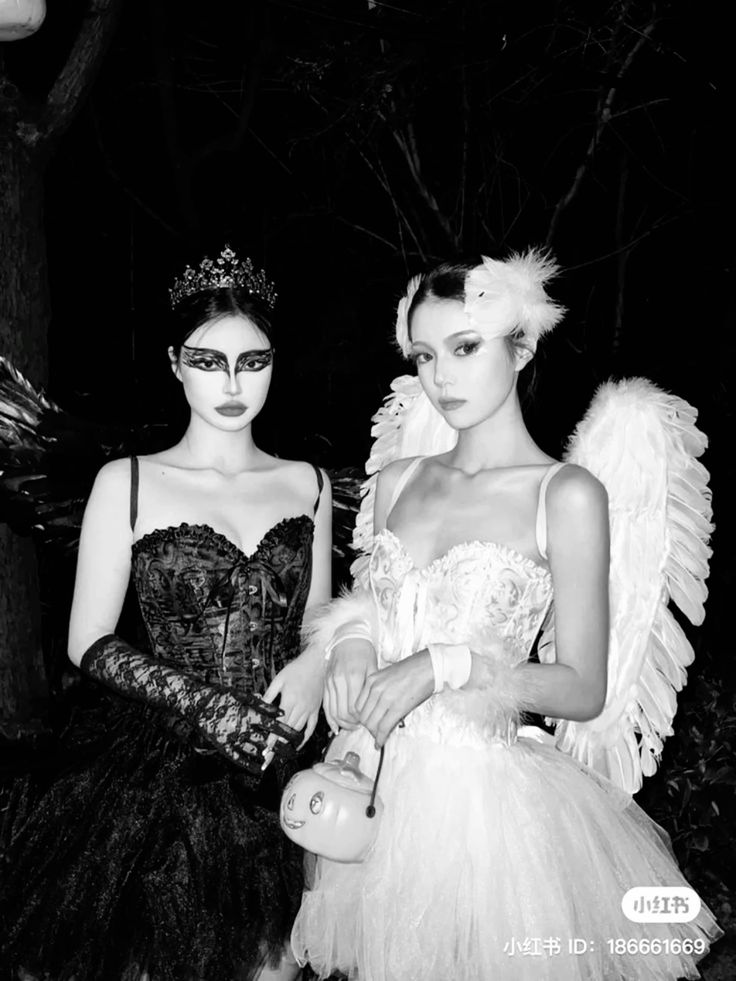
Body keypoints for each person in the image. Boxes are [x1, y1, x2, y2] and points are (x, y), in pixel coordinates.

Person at [291, 251, 721, 980]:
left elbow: (583, 687)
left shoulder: (565, 493)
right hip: (372, 781)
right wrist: (354, 640)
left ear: (520, 348)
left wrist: (445, 666)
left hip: (486, 818)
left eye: (465, 348)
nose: (441, 377)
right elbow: (379, 603)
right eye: (425, 355)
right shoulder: (397, 479)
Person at [0, 246, 331, 981]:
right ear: (176, 364)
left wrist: (319, 658)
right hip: (163, 772)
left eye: (252, 361)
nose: (233, 383)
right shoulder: (127, 480)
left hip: (285, 761)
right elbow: (87, 641)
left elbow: (320, 617)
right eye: (209, 362)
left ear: (275, 363)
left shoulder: (309, 483)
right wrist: (205, 704)